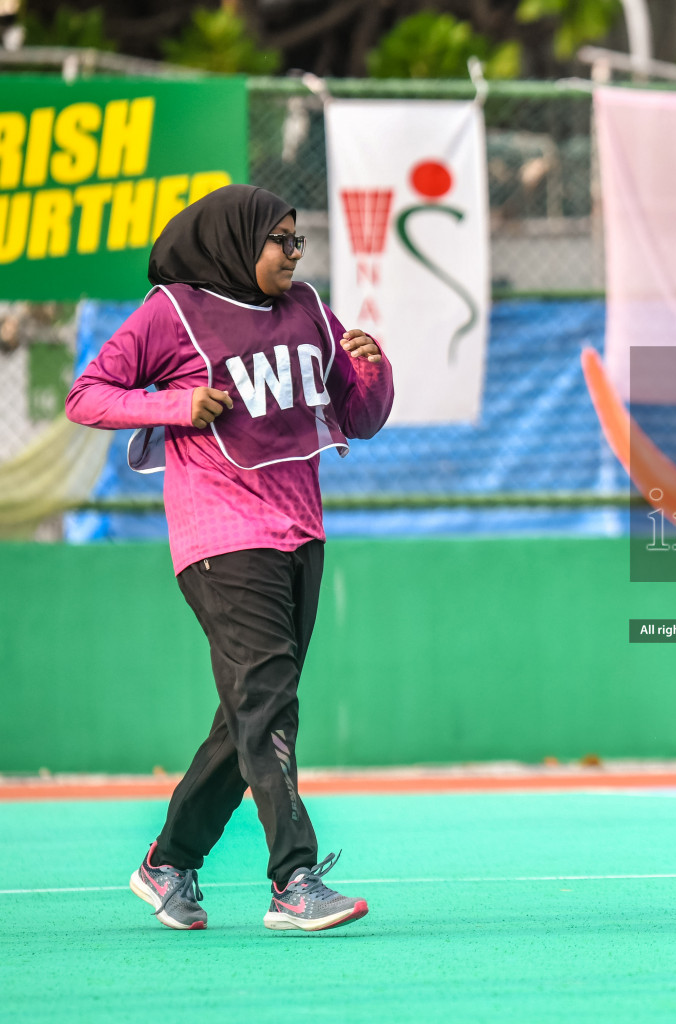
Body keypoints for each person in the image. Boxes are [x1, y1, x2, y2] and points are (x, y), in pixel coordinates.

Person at [65, 185, 395, 933]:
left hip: (300, 531)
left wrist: (375, 370)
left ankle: (168, 862)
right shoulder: (173, 311)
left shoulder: (309, 307)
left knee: (249, 714)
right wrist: (175, 406)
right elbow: (87, 395)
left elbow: (361, 417)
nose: (293, 253)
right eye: (280, 239)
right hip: (220, 536)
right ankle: (294, 880)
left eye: (298, 240)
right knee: (269, 703)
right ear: (234, 239)